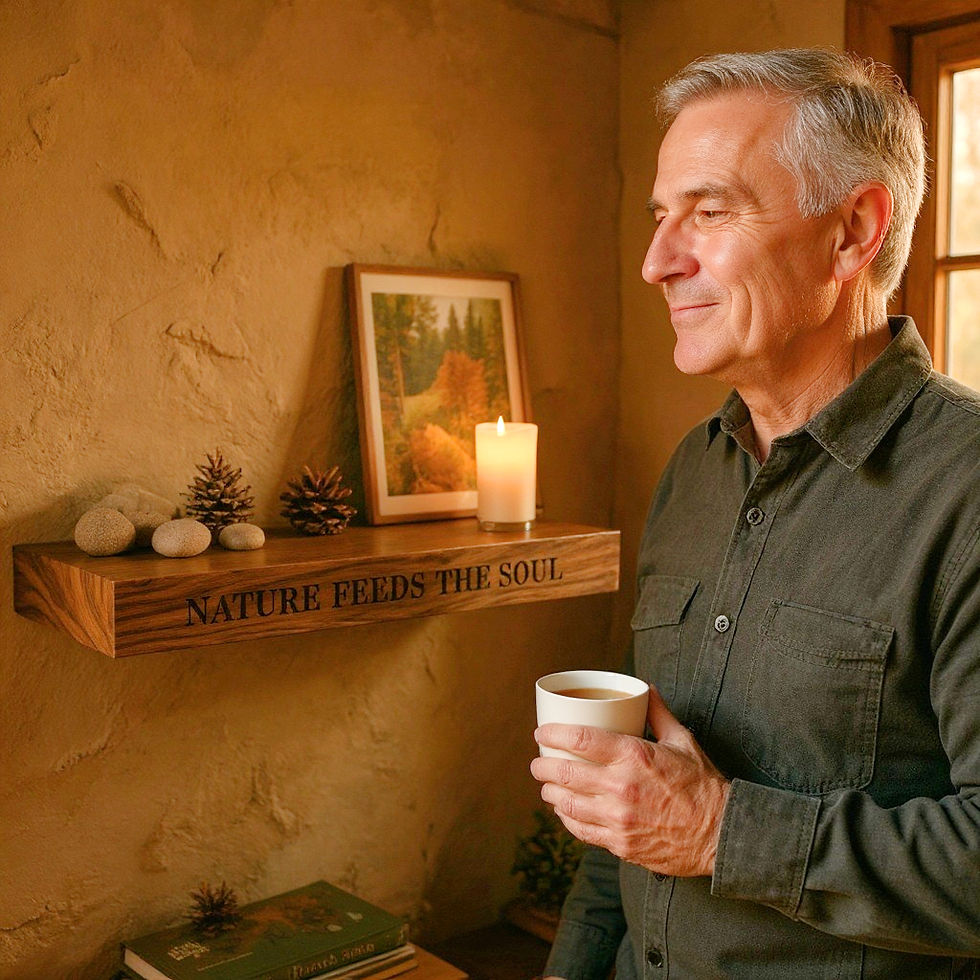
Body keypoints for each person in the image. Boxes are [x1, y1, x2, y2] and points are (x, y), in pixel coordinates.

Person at [531, 48, 980, 979]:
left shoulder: (966, 489)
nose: (658, 262)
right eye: (661, 217)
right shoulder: (694, 472)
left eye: (710, 210)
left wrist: (716, 832)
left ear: (853, 231)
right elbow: (628, 809)